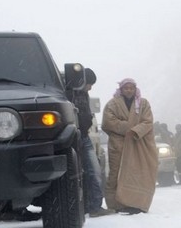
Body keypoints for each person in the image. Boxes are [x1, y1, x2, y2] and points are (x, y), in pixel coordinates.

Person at [101, 78, 159, 214]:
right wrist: (128, 128)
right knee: (116, 173)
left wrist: (135, 131)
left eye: (131, 88)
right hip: (118, 145)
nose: (129, 90)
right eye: (126, 88)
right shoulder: (112, 104)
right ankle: (115, 204)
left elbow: (148, 122)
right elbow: (108, 123)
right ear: (121, 89)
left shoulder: (143, 104)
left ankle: (136, 203)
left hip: (137, 143)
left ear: (135, 89)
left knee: (137, 173)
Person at [66, 67, 107, 216]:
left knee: (92, 171)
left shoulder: (83, 94)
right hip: (76, 136)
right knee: (90, 172)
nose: (90, 87)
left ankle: (93, 205)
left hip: (82, 135)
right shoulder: (69, 93)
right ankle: (92, 206)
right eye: (90, 83)